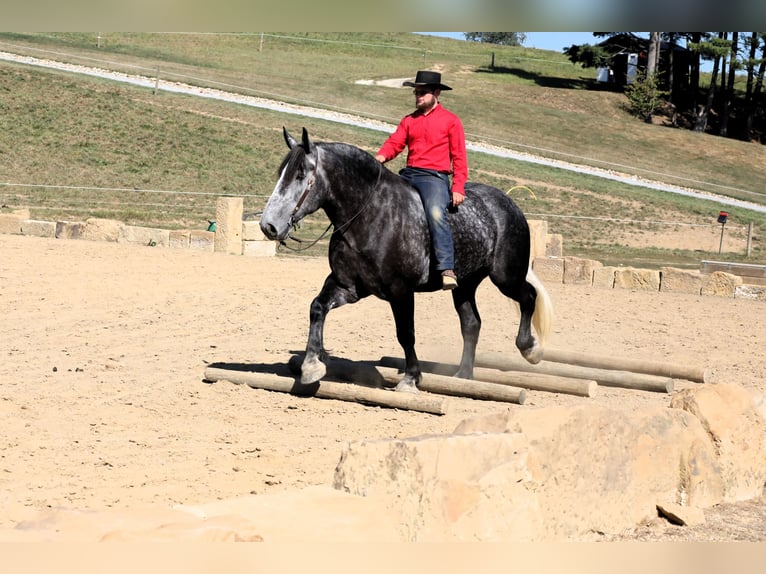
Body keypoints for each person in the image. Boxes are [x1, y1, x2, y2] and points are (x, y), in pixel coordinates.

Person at [375, 70, 467, 290]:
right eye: (416, 92)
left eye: (423, 92)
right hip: (408, 174)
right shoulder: (409, 120)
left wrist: (458, 187)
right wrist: (379, 157)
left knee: (435, 212)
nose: (418, 96)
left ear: (437, 93)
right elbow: (395, 143)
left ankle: (446, 268)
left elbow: (459, 156)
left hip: (434, 178)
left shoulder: (451, 121)